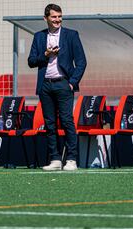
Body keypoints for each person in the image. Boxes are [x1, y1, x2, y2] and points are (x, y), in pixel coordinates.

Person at [28, 4, 86, 171]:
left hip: (63, 84)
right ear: (45, 18)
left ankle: (71, 159)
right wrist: (45, 55)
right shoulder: (39, 37)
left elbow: (81, 62)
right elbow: (31, 61)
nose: (57, 20)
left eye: (59, 16)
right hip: (45, 85)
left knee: (67, 121)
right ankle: (55, 159)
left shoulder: (71, 35)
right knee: (50, 123)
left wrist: (72, 83)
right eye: (54, 17)